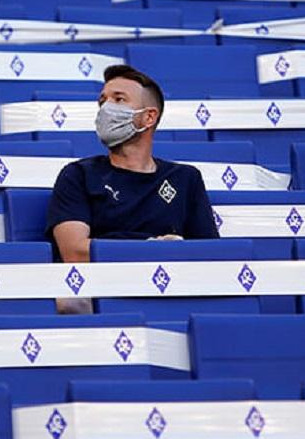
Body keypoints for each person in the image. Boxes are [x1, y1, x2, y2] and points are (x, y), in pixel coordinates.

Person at [46, 65, 219, 312]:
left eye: (119, 99)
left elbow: (210, 257)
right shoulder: (78, 174)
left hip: (171, 293)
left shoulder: (185, 178)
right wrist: (150, 246)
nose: (106, 109)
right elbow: (74, 252)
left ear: (149, 117)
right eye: (102, 101)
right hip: (101, 292)